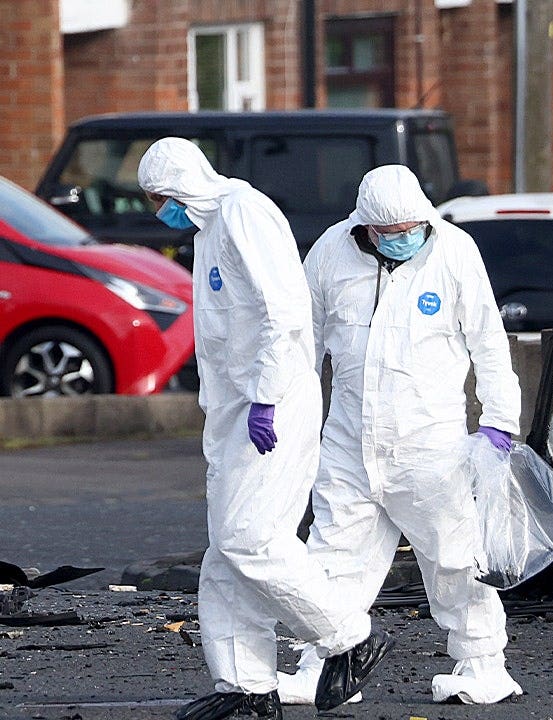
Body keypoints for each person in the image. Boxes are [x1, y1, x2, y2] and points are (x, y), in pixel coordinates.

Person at [137, 138, 395, 720]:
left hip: (271, 406)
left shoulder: (243, 214)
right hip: (236, 410)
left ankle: (349, 636)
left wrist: (266, 399)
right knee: (225, 552)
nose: (159, 211)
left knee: (252, 539)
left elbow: (284, 314)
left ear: (178, 186)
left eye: (160, 199)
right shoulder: (209, 229)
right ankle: (246, 685)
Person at [276, 164, 523, 706]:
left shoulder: (454, 251)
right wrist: (285, 412)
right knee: (332, 555)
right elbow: (301, 343)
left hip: (431, 446)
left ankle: (483, 665)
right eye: (390, 233)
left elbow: (488, 339)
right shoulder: (329, 253)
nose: (404, 239)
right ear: (364, 226)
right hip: (348, 440)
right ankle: (323, 665)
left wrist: (500, 422)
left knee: (455, 558)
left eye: (412, 227)